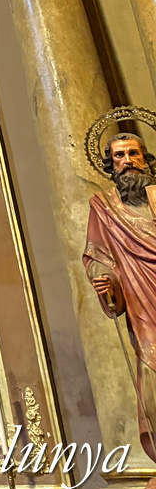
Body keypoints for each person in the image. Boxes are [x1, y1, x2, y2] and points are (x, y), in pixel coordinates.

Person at [84, 132, 156, 461]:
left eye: (133, 153)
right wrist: (106, 280)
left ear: (146, 159)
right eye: (119, 156)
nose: (128, 161)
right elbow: (98, 255)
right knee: (152, 374)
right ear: (110, 165)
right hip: (142, 302)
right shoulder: (104, 207)